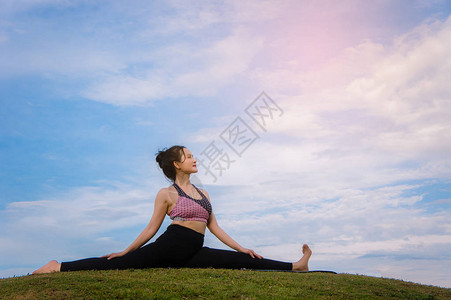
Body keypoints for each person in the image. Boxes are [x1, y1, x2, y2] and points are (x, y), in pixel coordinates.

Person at [32, 145, 312, 274]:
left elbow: (214, 227)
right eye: (189, 156)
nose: (194, 158)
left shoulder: (204, 193)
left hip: (192, 250)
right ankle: (57, 266)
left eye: (192, 155)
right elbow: (152, 228)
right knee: (118, 263)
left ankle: (296, 266)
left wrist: (241, 247)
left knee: (240, 260)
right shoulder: (166, 194)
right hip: (171, 245)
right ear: (177, 164)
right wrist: (127, 250)